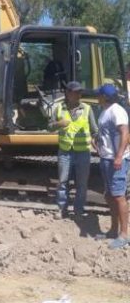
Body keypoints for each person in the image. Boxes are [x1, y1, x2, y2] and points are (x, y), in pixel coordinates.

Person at [49, 81, 98, 218]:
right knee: (62, 181)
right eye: (76, 92)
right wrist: (59, 123)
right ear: (68, 93)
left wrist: (97, 143)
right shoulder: (59, 108)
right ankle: (61, 209)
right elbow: (49, 126)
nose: (78, 94)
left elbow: (94, 131)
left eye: (79, 92)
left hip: (83, 152)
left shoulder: (87, 109)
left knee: (82, 183)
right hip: (65, 152)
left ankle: (78, 209)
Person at [94, 84, 130, 249]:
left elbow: (125, 133)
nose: (97, 97)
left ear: (105, 97)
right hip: (106, 158)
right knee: (109, 195)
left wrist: (118, 156)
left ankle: (124, 235)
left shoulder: (117, 110)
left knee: (118, 196)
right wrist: (98, 145)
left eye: (99, 95)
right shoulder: (105, 111)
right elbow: (107, 135)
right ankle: (113, 229)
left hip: (116, 160)